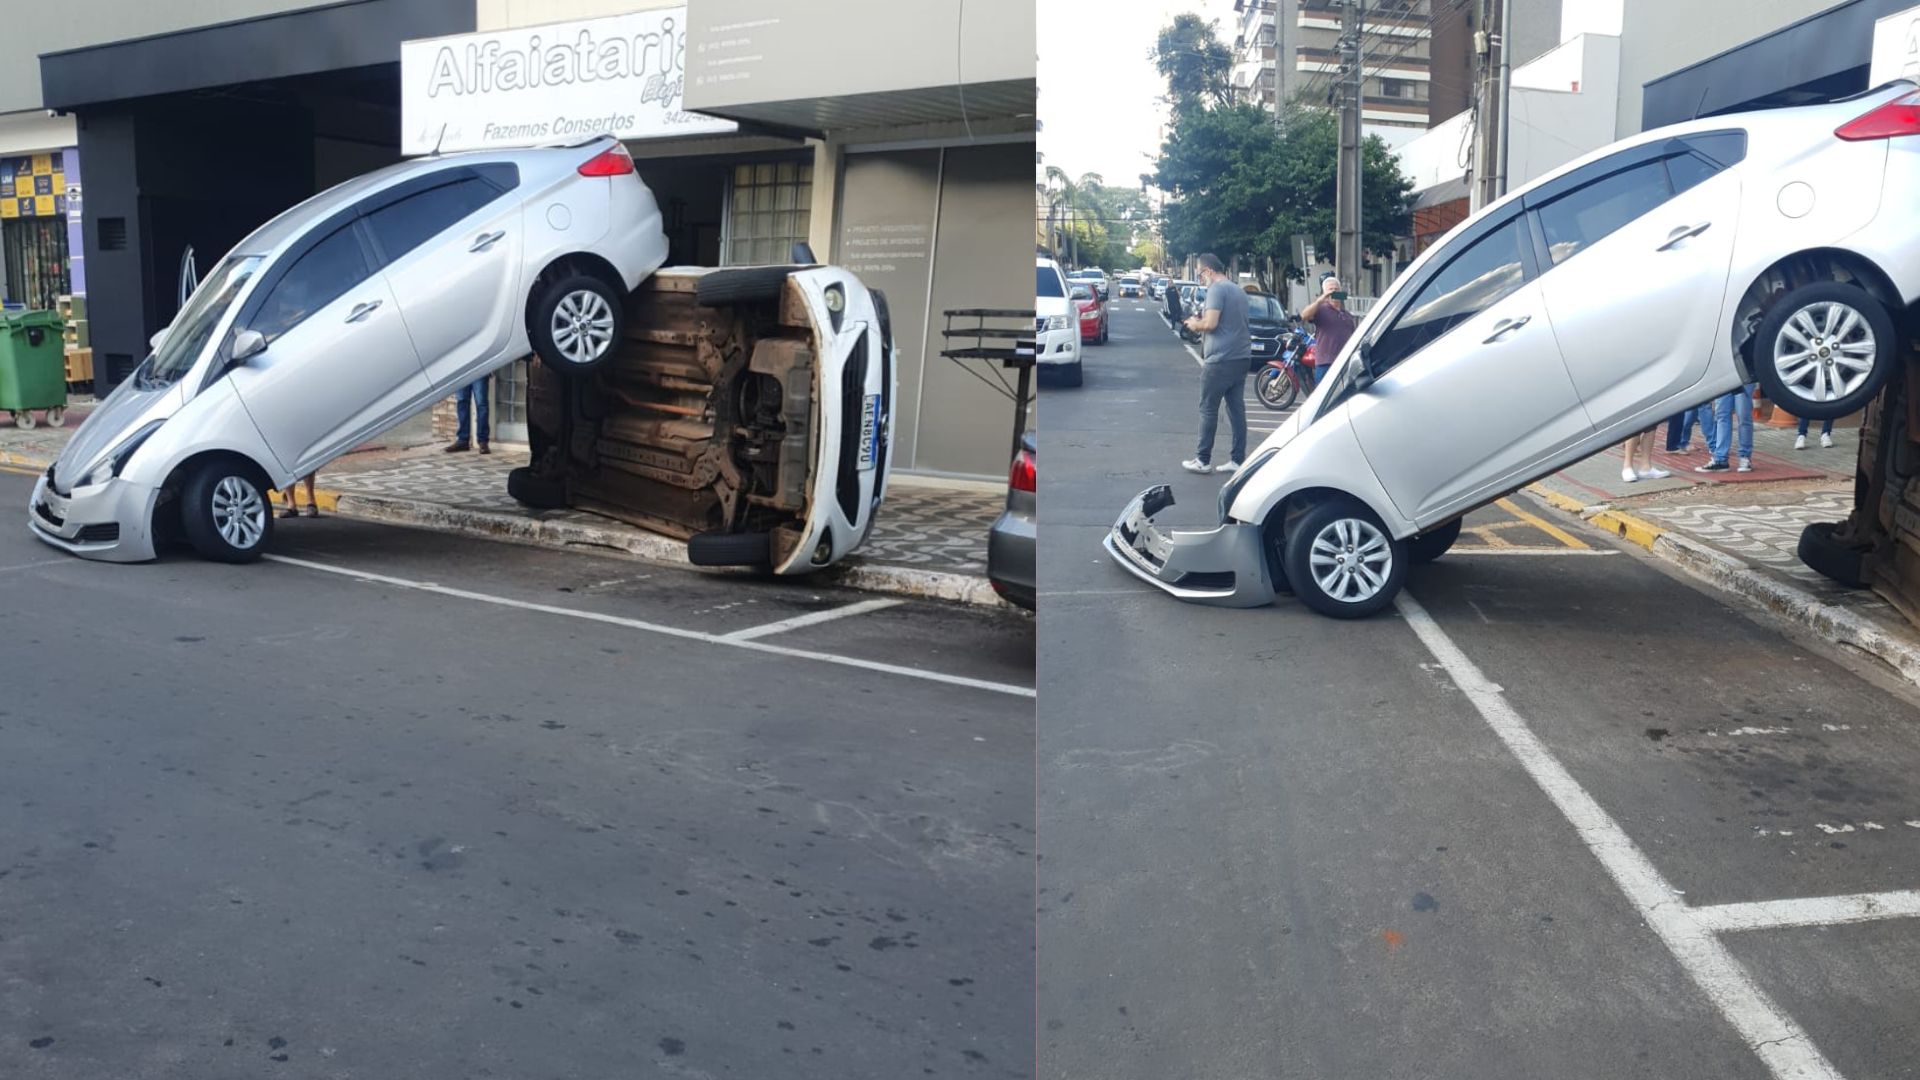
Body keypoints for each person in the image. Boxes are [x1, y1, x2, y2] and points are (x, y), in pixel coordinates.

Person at [1180, 253, 1252, 474]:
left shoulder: (1216, 289)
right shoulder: (1238, 290)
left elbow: (1211, 323)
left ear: (1209, 271)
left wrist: (1194, 324)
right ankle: (1238, 459)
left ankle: (1202, 459)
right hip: (1241, 357)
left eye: (1201, 273)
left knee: (1208, 408)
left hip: (1220, 359)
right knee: (1236, 409)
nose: (1201, 278)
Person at [1299, 273, 1358, 391]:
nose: (1334, 292)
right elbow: (1304, 315)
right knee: (1322, 396)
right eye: (1330, 290)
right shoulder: (1321, 310)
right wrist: (1320, 300)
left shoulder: (1347, 316)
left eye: (1336, 289)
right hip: (1325, 364)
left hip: (1343, 365)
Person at [1697, 382, 1758, 473]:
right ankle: (1722, 459)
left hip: (1740, 375)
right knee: (1723, 415)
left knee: (1742, 416)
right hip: (1726, 376)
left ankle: (1743, 457)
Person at [446, 376, 492, 455]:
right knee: (462, 402)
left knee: (481, 404)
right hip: (462, 371)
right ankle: (463, 441)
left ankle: (483, 441)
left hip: (479, 369)